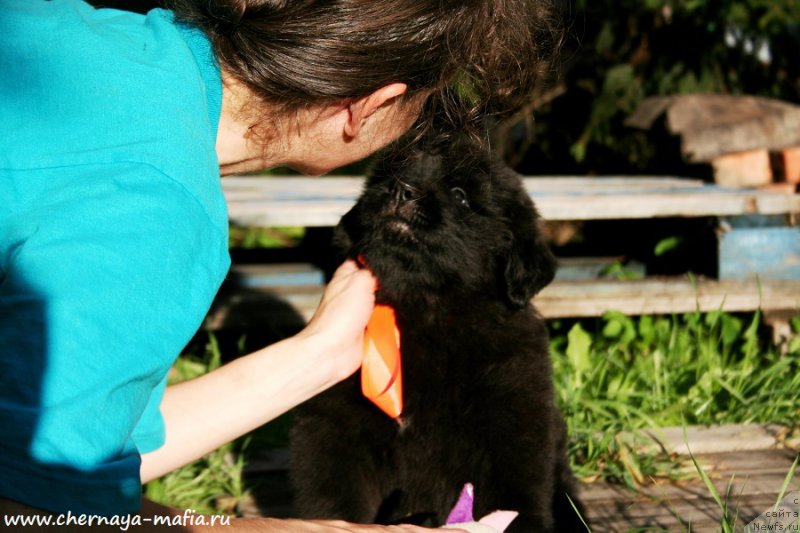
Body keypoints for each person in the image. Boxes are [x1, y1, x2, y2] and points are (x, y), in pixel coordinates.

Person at [0, 0, 560, 530]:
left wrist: (317, 354)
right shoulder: (155, 206)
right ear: (372, 104)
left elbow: (69, 452)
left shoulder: (59, 30)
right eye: (420, 107)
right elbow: (33, 514)